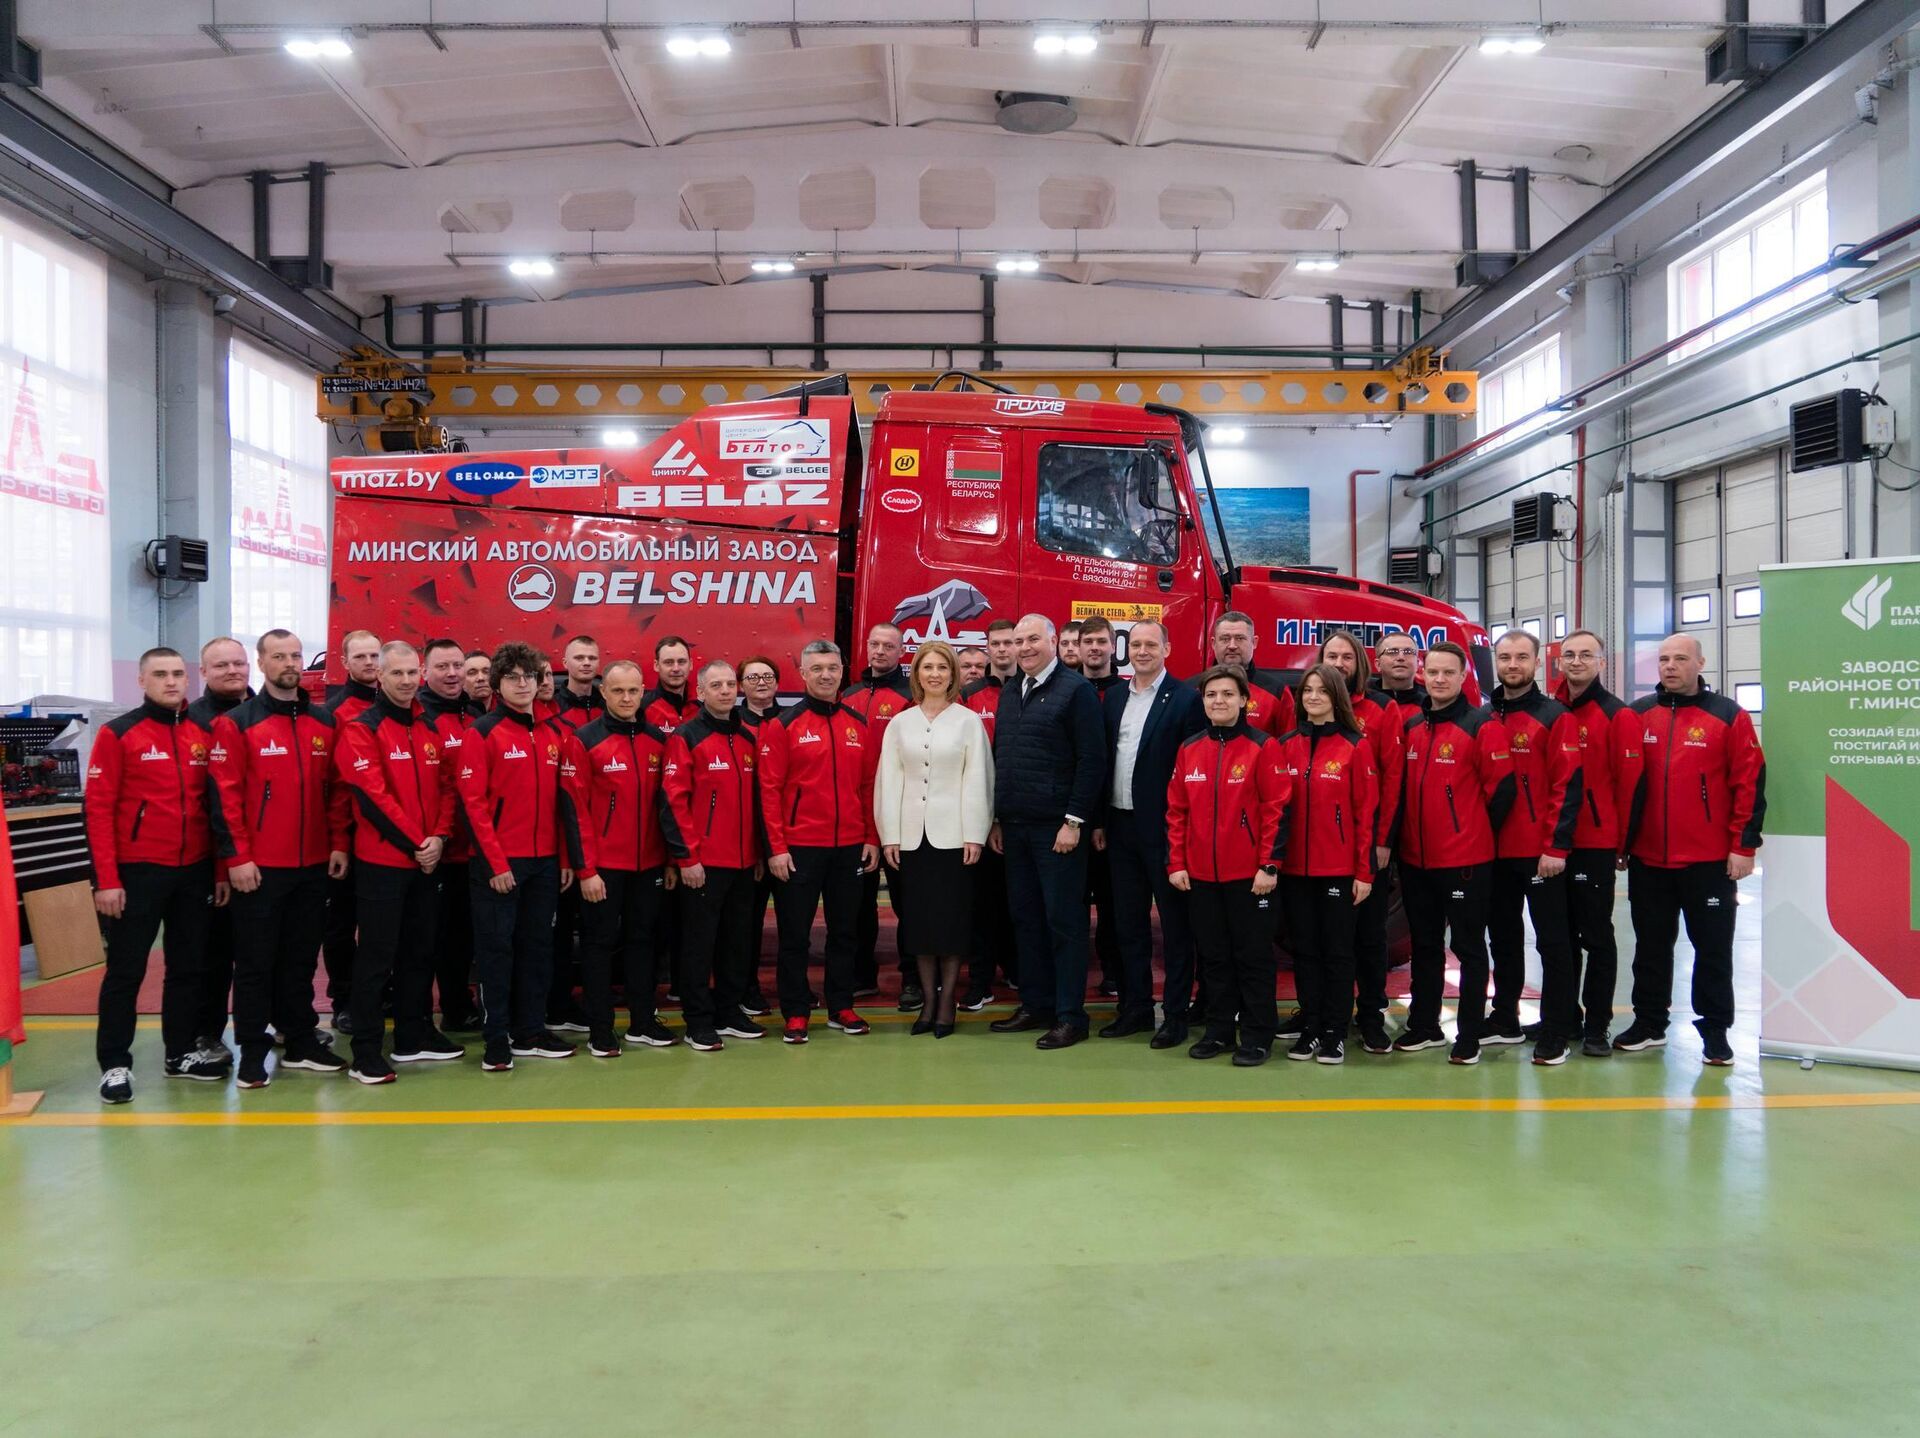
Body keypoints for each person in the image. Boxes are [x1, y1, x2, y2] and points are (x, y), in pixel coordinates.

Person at [208, 629, 350, 1089]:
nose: (289, 663)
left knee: (301, 960)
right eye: (279, 656)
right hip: (259, 868)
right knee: (255, 963)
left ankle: (301, 1042)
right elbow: (225, 797)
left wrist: (338, 842)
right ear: (261, 663)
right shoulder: (237, 723)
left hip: (313, 865)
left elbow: (337, 790)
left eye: (295, 655)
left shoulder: (324, 722)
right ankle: (252, 1051)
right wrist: (238, 858)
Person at [1617, 633, 1765, 1067]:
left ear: (1700, 663)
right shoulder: (1637, 715)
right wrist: (1624, 843)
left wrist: (1743, 846)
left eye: (1680, 658)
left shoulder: (1728, 716)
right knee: (1650, 947)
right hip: (1649, 859)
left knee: (1713, 950)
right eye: (1664, 659)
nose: (1670, 666)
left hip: (1708, 861)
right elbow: (1623, 784)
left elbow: (1749, 783)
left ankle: (1715, 1031)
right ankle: (1649, 1023)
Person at [86, 648, 223, 1103]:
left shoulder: (204, 734)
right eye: (160, 674)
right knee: (126, 971)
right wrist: (106, 879)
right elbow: (98, 810)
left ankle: (179, 1053)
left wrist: (218, 871)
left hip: (194, 872)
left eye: (178, 674)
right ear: (142, 681)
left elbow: (216, 810)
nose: (171, 682)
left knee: (188, 968)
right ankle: (114, 1064)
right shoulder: (118, 733)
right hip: (137, 873)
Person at [458, 640, 593, 1072]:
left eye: (529, 677)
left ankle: (530, 1032)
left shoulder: (555, 734)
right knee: (497, 952)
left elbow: (565, 804)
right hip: (500, 866)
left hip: (546, 864)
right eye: (513, 678)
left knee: (538, 949)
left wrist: (566, 859)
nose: (522, 685)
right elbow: (473, 805)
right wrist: (495, 864)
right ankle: (496, 1038)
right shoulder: (482, 733)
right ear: (498, 683)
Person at [334, 641, 465, 1083]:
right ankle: (366, 1051)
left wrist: (439, 838)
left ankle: (413, 1036)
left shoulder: (427, 727)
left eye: (412, 672)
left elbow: (447, 786)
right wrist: (417, 843)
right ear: (380, 676)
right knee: (376, 958)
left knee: (419, 952)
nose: (407, 681)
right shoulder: (361, 729)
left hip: (427, 861)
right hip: (383, 862)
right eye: (397, 673)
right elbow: (372, 796)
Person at [987, 614, 1105, 1049]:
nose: (1024, 647)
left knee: (1064, 923)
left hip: (1057, 830)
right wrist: (999, 818)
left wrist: (1074, 821)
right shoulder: (1011, 691)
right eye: (1019, 641)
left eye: (1033, 639)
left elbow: (1092, 760)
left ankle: (1071, 1015)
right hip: (1015, 828)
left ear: (1053, 641)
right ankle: (1035, 1004)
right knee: (1027, 920)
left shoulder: (1076, 691)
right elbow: (1004, 755)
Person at [1395, 642, 1514, 1065]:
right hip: (1416, 861)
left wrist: (1469, 833)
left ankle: (1469, 1034)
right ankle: (1425, 1025)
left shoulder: (1482, 726)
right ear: (1423, 675)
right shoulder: (1413, 726)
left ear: (1463, 677)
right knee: (1425, 946)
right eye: (1434, 672)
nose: (1440, 679)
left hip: (1464, 862)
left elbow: (1502, 791)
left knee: (1468, 949)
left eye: (1449, 672)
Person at [1167, 667, 1290, 1066]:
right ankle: (1219, 1031)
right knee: (1214, 958)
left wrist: (1269, 866)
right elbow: (1177, 811)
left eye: (1227, 694)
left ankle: (1257, 1034)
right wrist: (1177, 862)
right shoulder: (1189, 748)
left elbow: (1277, 809)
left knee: (1253, 958)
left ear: (1243, 701)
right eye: (1211, 695)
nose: (1218, 701)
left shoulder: (1263, 746)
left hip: (1250, 878)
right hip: (1201, 876)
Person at [759, 641, 879, 1043]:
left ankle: (841, 1006)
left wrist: (871, 837)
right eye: (817, 668)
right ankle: (795, 1011)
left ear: (842, 672)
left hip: (849, 847)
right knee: (795, 935)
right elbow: (769, 791)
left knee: (845, 932)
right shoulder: (785, 725)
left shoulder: (858, 724)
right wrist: (777, 848)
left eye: (832, 668)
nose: (826, 675)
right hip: (799, 849)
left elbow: (868, 786)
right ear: (803, 674)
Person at [876, 641, 994, 1038]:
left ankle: (947, 1005)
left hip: (954, 839)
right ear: (917, 674)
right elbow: (888, 780)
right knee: (920, 925)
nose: (935, 674)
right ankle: (928, 1001)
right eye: (927, 667)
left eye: (942, 667)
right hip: (912, 839)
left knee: (952, 923)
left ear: (953, 674)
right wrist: (890, 834)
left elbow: (978, 779)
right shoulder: (900, 723)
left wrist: (975, 833)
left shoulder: (968, 721)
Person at [1095, 619, 1204, 1044]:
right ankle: (1135, 1008)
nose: (1142, 651)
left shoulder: (1186, 700)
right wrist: (1100, 821)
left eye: (1151, 645)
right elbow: (1106, 761)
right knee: (1128, 924)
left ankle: (1175, 1014)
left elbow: (1192, 771)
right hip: (1120, 827)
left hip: (1165, 829)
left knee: (1175, 928)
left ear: (1166, 649)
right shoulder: (1114, 697)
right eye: (1136, 644)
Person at [1299, 629, 1404, 1055]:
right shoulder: (1306, 716)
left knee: (1368, 938)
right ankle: (1318, 1015)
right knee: (1320, 943)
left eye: (1347, 657)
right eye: (1332, 656)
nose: (1339, 663)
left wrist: (1382, 842)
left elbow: (1391, 779)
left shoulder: (1381, 709)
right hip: (1314, 856)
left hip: (1364, 848)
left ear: (1359, 663)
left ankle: (1372, 1017)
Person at [1484, 631, 1586, 1065]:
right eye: (1505, 657)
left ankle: (1556, 1029)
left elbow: (1568, 784)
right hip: (1492, 853)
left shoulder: (1554, 716)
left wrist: (1556, 847)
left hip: (1540, 854)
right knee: (1503, 939)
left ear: (1537, 662)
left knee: (1552, 942)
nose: (1513, 665)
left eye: (1521, 657)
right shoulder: (1484, 716)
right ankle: (1505, 1017)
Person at [1545, 629, 1644, 1056]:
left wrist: (1622, 844)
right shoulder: (1551, 711)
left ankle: (1597, 1024)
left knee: (1596, 936)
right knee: (1559, 937)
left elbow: (1629, 784)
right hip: (1553, 843)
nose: (1577, 661)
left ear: (1601, 662)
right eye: (1569, 654)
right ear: (1559, 662)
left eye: (1586, 655)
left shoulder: (1617, 715)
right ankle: (1564, 1017)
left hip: (1594, 843)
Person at [572, 660, 676, 1054]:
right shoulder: (584, 740)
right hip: (602, 869)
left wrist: (669, 860)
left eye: (634, 690)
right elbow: (575, 810)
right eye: (618, 691)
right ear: (604, 693)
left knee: (643, 943)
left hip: (649, 865)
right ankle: (601, 1029)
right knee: (598, 945)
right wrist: (586, 869)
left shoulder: (657, 740)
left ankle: (643, 1022)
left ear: (643, 691)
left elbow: (666, 807)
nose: (627, 698)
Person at [1276, 664, 1378, 1065]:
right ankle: (1312, 1027)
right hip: (1295, 871)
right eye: (1307, 690)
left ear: (1337, 697)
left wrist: (1364, 872)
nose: (1313, 697)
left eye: (1322, 690)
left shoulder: (1356, 746)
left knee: (1337, 953)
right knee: (1305, 952)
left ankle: (1335, 1031)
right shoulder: (1285, 745)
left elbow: (1365, 815)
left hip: (1338, 870)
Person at [662, 660, 765, 1051]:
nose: (725, 691)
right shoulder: (686, 737)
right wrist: (687, 858)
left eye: (729, 684)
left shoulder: (747, 739)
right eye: (716, 685)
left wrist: (758, 853)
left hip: (744, 863)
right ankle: (698, 1021)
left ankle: (728, 1012)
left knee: (736, 942)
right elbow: (673, 801)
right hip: (704, 865)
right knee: (698, 945)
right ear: (700, 692)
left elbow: (756, 803)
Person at [842, 622, 917, 1007]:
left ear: (901, 652)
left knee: (908, 903)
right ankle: (861, 976)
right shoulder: (848, 695)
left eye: (889, 646)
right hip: (858, 816)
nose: (880, 651)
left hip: (902, 815)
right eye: (875, 644)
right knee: (859, 904)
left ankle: (913, 979)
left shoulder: (910, 696)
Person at [186, 636, 254, 1059]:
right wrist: (222, 864)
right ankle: (206, 1033)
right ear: (204, 672)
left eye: (238, 663)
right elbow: (208, 799)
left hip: (264, 857)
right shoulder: (191, 721)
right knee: (213, 952)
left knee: (265, 951)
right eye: (221, 665)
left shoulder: (266, 711)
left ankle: (272, 1025)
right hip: (209, 860)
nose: (232, 671)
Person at [419, 637, 482, 1031]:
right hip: (433, 851)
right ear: (425, 671)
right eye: (442, 666)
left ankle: (458, 1007)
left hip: (472, 851)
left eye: (458, 665)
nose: (453, 673)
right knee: (428, 939)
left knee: (461, 937)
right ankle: (420, 1019)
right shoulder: (419, 717)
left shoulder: (475, 714)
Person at [322, 629, 382, 1035]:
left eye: (374, 655)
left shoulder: (399, 706)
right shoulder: (335, 713)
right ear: (345, 662)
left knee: (381, 927)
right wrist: (340, 841)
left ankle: (380, 993)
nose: (369, 663)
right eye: (360, 657)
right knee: (342, 927)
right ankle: (343, 1000)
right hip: (350, 839)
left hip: (388, 840)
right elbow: (336, 786)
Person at [960, 617, 1019, 1009]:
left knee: (1019, 903)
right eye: (995, 643)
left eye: (1008, 643)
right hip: (981, 818)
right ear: (988, 648)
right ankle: (979, 982)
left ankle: (1017, 969)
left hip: (1022, 816)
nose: (1002, 649)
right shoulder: (969, 696)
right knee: (982, 904)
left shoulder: (1032, 690)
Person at [1076, 615, 1124, 998]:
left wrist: (1104, 819)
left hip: (1114, 818)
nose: (1094, 647)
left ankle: (1113, 972)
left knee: (1113, 903)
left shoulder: (1127, 694)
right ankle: (1072, 972)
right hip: (1072, 818)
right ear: (1078, 648)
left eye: (1100, 641)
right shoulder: (1068, 690)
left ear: (1113, 646)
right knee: (1072, 904)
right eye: (1087, 641)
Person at [736, 654, 786, 1017]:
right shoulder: (732, 724)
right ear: (741, 685)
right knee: (746, 925)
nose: (761, 682)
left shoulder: (791, 722)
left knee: (792, 922)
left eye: (767, 676)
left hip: (786, 841)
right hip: (746, 844)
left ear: (778, 682)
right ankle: (746, 988)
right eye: (752, 677)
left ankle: (791, 987)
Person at [1209, 610, 1292, 736]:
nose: (1232, 645)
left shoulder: (1277, 693)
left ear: (1254, 642)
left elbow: (1290, 743)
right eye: (1225, 639)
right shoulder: (1193, 691)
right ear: (1213, 643)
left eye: (1240, 638)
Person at [642, 635, 699, 733]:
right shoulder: (642, 708)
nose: (676, 668)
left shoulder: (702, 708)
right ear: (656, 665)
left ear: (690, 664)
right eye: (668, 662)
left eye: (681, 662)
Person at [1369, 631, 1428, 716]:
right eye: (1392, 652)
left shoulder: (1430, 707)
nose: (1401, 657)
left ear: (1417, 664)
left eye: (1408, 652)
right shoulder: (1361, 702)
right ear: (1378, 664)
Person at [555, 634, 604, 726]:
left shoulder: (609, 707)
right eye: (579, 658)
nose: (587, 663)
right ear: (565, 663)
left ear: (598, 663)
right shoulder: (551, 708)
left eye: (592, 658)